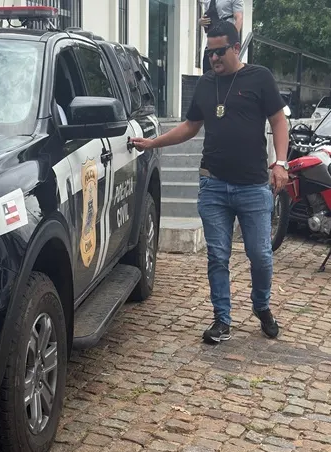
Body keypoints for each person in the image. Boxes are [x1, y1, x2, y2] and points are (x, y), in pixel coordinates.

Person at [131, 21, 289, 344]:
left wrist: (281, 163)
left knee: (260, 255)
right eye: (209, 52)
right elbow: (190, 126)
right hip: (213, 185)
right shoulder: (205, 84)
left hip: (253, 186)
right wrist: (153, 143)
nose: (214, 58)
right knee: (217, 255)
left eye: (219, 51)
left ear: (236, 48)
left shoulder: (259, 78)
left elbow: (278, 120)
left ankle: (261, 305)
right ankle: (222, 319)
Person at [200, 0, 244, 72]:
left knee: (226, 69)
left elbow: (239, 18)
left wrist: (232, 39)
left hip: (225, 41)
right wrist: (201, 21)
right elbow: (207, 15)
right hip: (212, 41)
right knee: (207, 71)